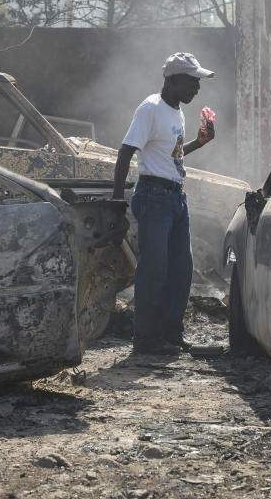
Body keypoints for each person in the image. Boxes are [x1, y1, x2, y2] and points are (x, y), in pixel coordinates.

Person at [112, 52, 216, 355]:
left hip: (175, 196)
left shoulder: (177, 112)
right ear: (171, 80)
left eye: (198, 83)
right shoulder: (151, 108)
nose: (196, 88)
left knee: (182, 270)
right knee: (154, 270)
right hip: (154, 196)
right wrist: (118, 202)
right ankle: (146, 339)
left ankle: (171, 335)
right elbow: (125, 153)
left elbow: (175, 156)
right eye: (191, 81)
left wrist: (200, 141)